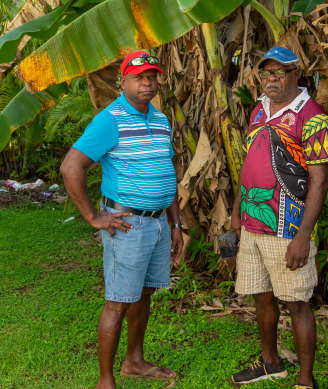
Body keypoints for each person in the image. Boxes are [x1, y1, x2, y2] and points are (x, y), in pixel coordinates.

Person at [60, 51, 184, 389]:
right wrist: (93, 216)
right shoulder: (110, 119)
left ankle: (134, 361)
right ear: (123, 81)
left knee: (144, 294)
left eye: (152, 76)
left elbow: (166, 172)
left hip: (158, 224)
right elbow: (71, 167)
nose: (147, 82)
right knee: (117, 301)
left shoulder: (160, 119)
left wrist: (175, 224)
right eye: (139, 77)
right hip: (127, 224)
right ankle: (105, 380)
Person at [230, 47, 328, 389]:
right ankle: (271, 362)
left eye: (279, 72)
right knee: (261, 296)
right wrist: (235, 216)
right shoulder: (258, 111)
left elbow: (320, 180)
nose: (271, 78)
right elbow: (248, 165)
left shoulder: (313, 116)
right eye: (266, 72)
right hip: (252, 222)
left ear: (295, 76)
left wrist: (303, 235)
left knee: (297, 303)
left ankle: (306, 380)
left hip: (287, 228)